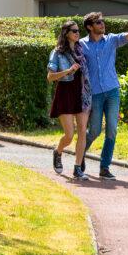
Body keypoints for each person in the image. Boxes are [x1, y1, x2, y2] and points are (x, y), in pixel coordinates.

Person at [80, 12, 128, 179]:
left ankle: (104, 167)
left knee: (112, 130)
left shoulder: (111, 40)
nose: (102, 24)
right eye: (98, 22)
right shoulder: (81, 45)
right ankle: (80, 157)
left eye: (102, 21)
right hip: (94, 94)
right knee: (94, 131)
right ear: (89, 26)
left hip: (112, 91)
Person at [47, 19, 92, 181]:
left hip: (82, 94)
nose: (77, 33)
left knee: (82, 132)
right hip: (65, 93)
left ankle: (77, 168)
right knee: (69, 135)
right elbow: (50, 77)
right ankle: (58, 151)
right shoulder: (57, 53)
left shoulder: (82, 50)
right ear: (66, 34)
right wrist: (67, 71)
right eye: (74, 31)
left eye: (78, 30)